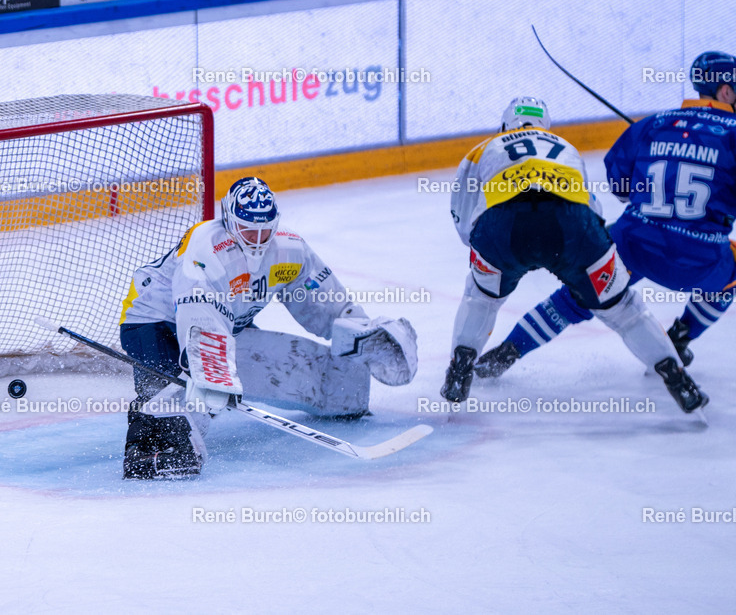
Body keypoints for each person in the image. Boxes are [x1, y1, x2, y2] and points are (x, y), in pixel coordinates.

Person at [118, 176, 417, 479]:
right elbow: (199, 313)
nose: (258, 239)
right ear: (229, 221)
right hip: (151, 319)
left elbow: (323, 301)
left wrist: (360, 334)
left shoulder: (288, 251)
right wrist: (212, 374)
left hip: (226, 322)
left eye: (265, 230)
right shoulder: (207, 245)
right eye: (248, 229)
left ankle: (342, 398)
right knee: (177, 393)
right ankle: (146, 451)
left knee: (220, 384)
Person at [477, 53, 736, 378]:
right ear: (725, 91)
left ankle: (509, 351)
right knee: (730, 273)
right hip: (697, 259)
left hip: (634, 241)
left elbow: (620, 185)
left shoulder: (653, 124)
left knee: (579, 291)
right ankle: (678, 339)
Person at [443, 96, 706, 413]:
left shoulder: (485, 148)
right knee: (623, 308)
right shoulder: (565, 147)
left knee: (481, 298)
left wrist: (488, 259)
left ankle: (459, 372)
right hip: (573, 226)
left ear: (504, 124)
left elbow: (462, 213)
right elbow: (592, 208)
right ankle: (678, 380)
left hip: (503, 227)